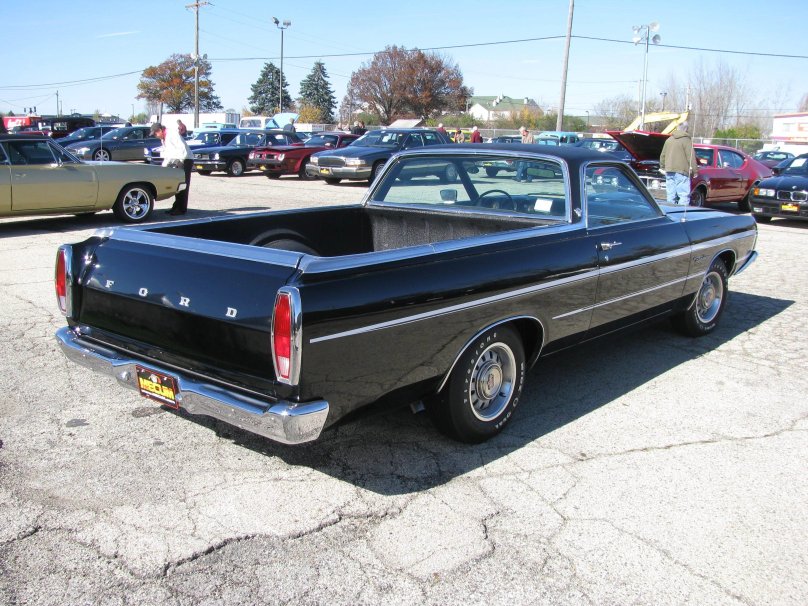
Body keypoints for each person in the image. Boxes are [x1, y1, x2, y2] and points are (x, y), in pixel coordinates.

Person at [150, 123, 192, 216]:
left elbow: (182, 149)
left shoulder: (172, 134)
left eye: (155, 134)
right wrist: (164, 166)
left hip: (185, 160)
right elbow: (168, 154)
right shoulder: (164, 138)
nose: (155, 136)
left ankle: (181, 209)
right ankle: (176, 206)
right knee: (177, 184)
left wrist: (180, 162)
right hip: (176, 160)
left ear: (160, 130)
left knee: (182, 185)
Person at [660, 121, 698, 205]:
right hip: (682, 172)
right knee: (683, 196)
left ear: (677, 128)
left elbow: (663, 155)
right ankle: (681, 212)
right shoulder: (686, 140)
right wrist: (695, 171)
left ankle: (670, 211)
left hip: (669, 171)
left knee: (670, 195)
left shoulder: (669, 140)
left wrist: (662, 167)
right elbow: (691, 157)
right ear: (686, 129)